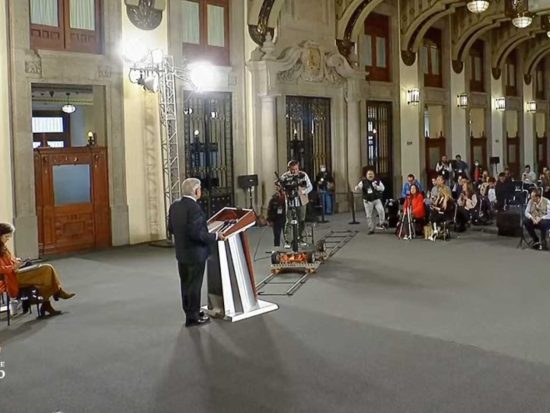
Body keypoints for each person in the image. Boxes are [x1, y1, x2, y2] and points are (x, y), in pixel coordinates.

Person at [168, 178, 226, 327]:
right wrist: (215, 236)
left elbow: (171, 228)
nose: (201, 191)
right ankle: (193, 317)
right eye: (200, 189)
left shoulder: (175, 206)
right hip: (195, 254)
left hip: (182, 253)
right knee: (194, 286)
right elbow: (196, 234)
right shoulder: (194, 208)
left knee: (186, 285)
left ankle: (191, 311)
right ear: (196, 191)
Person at [0, 222, 75, 317]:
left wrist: (16, 261)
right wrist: (14, 266)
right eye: (6, 236)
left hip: (15, 272)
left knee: (46, 274)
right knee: (47, 269)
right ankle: (56, 292)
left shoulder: (2, 246)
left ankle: (50, 300)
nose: (8, 239)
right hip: (12, 277)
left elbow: (8, 260)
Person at [281, 160, 313, 246]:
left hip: (301, 201)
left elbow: (310, 187)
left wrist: (303, 192)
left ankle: (300, 239)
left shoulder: (303, 175)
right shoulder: (284, 176)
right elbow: (281, 188)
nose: (294, 171)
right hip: (290, 202)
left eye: (296, 169)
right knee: (289, 221)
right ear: (289, 168)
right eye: (292, 169)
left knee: (301, 220)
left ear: (298, 168)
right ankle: (288, 241)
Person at [355, 169, 385, 234]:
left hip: (376, 199)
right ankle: (371, 229)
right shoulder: (363, 182)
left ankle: (381, 223)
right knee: (369, 215)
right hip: (367, 200)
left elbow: (383, 188)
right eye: (369, 174)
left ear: (374, 175)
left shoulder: (377, 181)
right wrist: (357, 188)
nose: (370, 175)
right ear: (366, 175)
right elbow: (359, 187)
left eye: (371, 174)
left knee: (381, 211)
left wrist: (377, 187)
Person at [266, 182, 286, 247]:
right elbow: (270, 209)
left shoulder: (286, 197)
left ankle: (288, 247)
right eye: (276, 186)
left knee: (287, 235)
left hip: (285, 218)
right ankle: (276, 247)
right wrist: (269, 220)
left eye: (278, 186)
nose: (277, 188)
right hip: (276, 219)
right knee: (277, 235)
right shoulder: (273, 199)